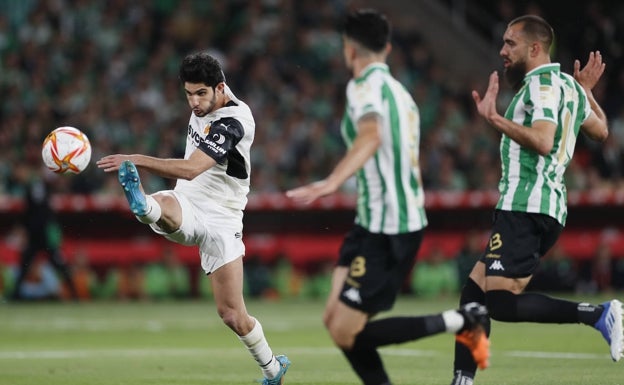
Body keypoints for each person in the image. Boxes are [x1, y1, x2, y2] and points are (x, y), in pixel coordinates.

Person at [286, 9, 490, 385]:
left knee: (347, 331)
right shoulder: (401, 93)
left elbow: (371, 136)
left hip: (389, 225)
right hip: (373, 220)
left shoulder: (362, 86)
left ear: (349, 50)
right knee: (334, 322)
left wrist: (331, 182)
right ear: (388, 47)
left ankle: (465, 320)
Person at [96, 51, 290, 385]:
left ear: (220, 87)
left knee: (232, 315)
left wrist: (135, 158)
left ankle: (272, 369)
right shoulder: (202, 105)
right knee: (165, 209)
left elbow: (190, 169)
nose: (194, 102)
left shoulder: (234, 122)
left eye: (201, 93)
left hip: (223, 217)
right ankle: (144, 207)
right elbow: (187, 180)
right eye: (188, 94)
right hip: (188, 199)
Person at [450, 15, 622, 385]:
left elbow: (543, 141)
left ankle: (597, 313)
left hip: (526, 205)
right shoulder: (567, 86)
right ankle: (462, 380)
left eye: (510, 43)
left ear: (534, 48)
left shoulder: (542, 86)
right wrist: (586, 91)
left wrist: (495, 118)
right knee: (474, 292)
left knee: (500, 304)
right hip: (544, 207)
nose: (502, 51)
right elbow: (602, 129)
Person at [11, 163, 78, 301]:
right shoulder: (35, 186)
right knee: (29, 263)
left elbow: (36, 212)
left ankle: (74, 293)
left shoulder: (36, 186)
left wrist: (26, 227)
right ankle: (16, 294)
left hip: (41, 234)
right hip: (39, 233)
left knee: (54, 264)